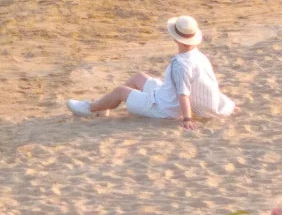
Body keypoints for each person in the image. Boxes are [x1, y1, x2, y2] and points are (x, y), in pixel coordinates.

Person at [67, 15, 235, 131]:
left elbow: (184, 94)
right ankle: (104, 106)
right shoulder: (199, 56)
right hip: (165, 96)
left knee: (120, 91)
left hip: (164, 108)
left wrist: (187, 119)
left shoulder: (180, 64)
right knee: (138, 77)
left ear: (177, 39)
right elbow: (208, 83)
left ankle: (92, 108)